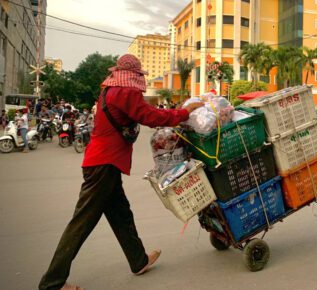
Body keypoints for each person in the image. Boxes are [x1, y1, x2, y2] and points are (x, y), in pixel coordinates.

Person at [38, 54, 204, 290]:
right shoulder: (126, 91)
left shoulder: (110, 89)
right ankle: (52, 283)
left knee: (121, 214)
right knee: (81, 223)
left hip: (102, 162)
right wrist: (185, 112)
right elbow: (151, 117)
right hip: (104, 165)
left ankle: (138, 261)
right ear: (134, 74)